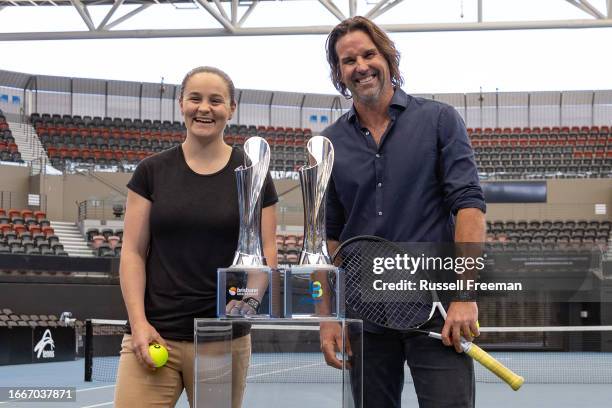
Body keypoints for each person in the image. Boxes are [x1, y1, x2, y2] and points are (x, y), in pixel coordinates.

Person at [319, 17, 486, 408]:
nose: (360, 66)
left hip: (438, 310)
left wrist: (464, 295)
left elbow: (470, 208)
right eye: (348, 60)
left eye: (368, 54)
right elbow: (329, 236)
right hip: (365, 314)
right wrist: (327, 317)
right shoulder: (328, 143)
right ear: (339, 74)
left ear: (389, 58)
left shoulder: (440, 120)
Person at [115, 66, 278, 407]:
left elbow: (265, 252)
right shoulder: (151, 171)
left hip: (222, 342)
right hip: (153, 336)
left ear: (231, 108)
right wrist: (139, 324)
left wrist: (247, 304)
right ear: (181, 104)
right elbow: (132, 252)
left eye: (216, 101)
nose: (204, 108)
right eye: (195, 99)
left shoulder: (254, 174)